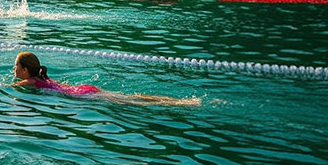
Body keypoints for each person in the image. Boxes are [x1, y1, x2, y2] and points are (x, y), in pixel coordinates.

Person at [13, 52, 201, 106]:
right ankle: (180, 101)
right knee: (131, 97)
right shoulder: (42, 77)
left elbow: (1, 86)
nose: (14, 68)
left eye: (16, 66)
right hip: (85, 89)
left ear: (25, 70)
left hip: (84, 96)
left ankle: (182, 103)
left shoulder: (29, 82)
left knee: (132, 102)